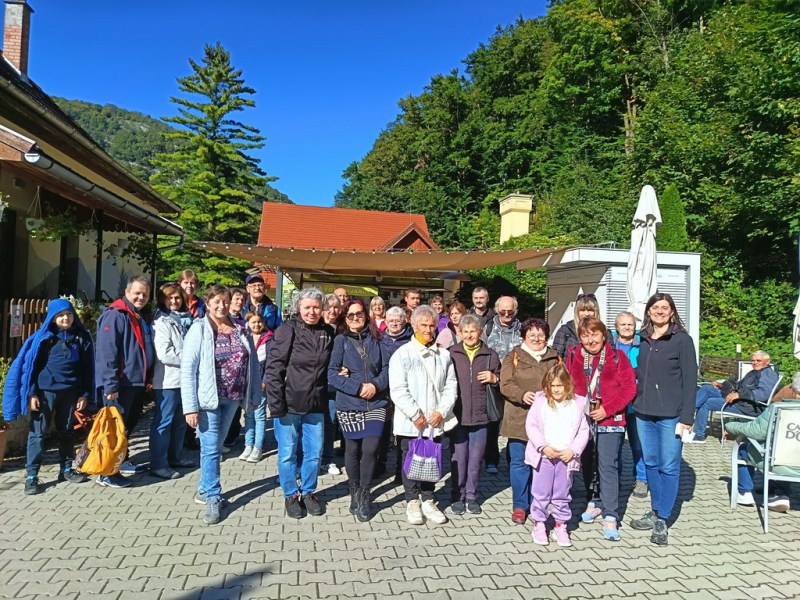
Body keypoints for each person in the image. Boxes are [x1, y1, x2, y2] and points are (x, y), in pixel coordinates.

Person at [181, 285, 261, 525]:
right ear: (207, 303)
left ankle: (203, 488)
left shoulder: (241, 329)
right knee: (211, 448)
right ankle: (214, 496)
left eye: (225, 301)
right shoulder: (199, 329)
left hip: (233, 397)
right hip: (208, 400)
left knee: (216, 445)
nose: (221, 306)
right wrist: (190, 407)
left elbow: (253, 364)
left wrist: (254, 395)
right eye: (216, 301)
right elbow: (188, 369)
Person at [2, 298, 93, 495]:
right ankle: (32, 476)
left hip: (70, 393)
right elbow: (31, 369)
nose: (65, 318)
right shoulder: (44, 339)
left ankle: (66, 469)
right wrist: (32, 393)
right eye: (60, 315)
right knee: (38, 433)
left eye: (68, 314)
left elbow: (88, 369)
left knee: (66, 431)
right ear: (52, 318)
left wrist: (84, 394)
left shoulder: (82, 338)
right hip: (45, 393)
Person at [629, 293, 697, 546]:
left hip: (671, 414)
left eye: (664, 307)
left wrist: (687, 416)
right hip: (644, 412)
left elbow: (690, 380)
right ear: (648, 311)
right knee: (650, 462)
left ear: (672, 312)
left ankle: (663, 518)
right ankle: (655, 509)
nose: (659, 311)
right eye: (655, 307)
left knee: (668, 466)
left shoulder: (682, 340)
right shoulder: (643, 338)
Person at [565, 317, 636, 541]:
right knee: (588, 463)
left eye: (594, 334)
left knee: (607, 466)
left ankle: (611, 514)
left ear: (604, 335)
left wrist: (607, 409)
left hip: (610, 419)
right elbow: (568, 384)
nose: (590, 340)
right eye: (585, 336)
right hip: (583, 419)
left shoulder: (618, 357)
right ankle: (594, 500)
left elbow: (629, 389)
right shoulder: (574, 355)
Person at [266, 288, 334, 519]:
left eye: (316, 307)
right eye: (307, 307)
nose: (312, 312)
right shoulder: (287, 330)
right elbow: (274, 368)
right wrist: (276, 404)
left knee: (314, 453)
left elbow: (331, 365)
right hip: (289, 404)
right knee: (287, 453)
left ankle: (308, 492)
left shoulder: (327, 332)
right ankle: (290, 494)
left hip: (316, 404)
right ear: (298, 308)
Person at [389, 305, 457, 526]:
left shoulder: (443, 355)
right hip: (411, 421)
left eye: (431, 325)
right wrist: (415, 414)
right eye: (423, 325)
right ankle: (412, 501)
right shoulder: (402, 354)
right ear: (414, 325)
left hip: (434, 420)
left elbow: (451, 386)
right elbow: (398, 389)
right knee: (411, 461)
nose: (428, 329)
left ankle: (428, 499)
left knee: (431, 460)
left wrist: (441, 411)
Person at [328, 299, 391, 522]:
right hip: (349, 404)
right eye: (351, 315)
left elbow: (387, 368)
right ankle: (354, 489)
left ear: (366, 315)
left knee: (371, 449)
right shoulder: (340, 341)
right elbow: (332, 373)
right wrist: (357, 388)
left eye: (359, 314)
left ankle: (365, 493)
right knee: (353, 450)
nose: (355, 318)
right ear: (345, 318)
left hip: (376, 403)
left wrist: (375, 385)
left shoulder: (379, 339)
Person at [95, 275, 155, 487]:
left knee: (127, 427)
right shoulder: (116, 315)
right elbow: (107, 353)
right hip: (120, 384)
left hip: (136, 382)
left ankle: (121, 461)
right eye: (137, 293)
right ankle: (106, 472)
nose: (141, 297)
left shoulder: (137, 315)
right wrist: (111, 384)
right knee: (114, 430)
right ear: (127, 292)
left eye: (145, 294)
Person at [499, 317, 560, 524]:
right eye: (531, 334)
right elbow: (505, 384)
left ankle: (538, 504)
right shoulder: (514, 356)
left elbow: (563, 382)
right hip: (519, 417)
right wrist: (521, 394)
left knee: (541, 464)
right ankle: (519, 505)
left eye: (540, 334)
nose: (536, 338)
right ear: (524, 336)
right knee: (519, 463)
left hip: (546, 420)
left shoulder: (554, 357)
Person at [526, 364, 591, 547]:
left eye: (559, 386)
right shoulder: (540, 402)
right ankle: (539, 523)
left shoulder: (577, 404)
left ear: (567, 385)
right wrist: (542, 446)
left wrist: (573, 450)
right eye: (552, 385)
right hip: (545, 456)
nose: (556, 389)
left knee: (562, 493)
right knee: (541, 492)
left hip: (565, 457)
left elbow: (583, 431)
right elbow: (531, 426)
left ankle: (561, 525)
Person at [447, 315, 500, 515]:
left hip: (481, 416)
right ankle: (457, 495)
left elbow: (502, 381)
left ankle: (472, 496)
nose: (469, 335)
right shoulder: (451, 354)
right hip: (458, 416)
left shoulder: (490, 355)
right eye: (465, 331)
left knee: (476, 459)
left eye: (473, 331)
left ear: (480, 332)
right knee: (459, 458)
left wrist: (495, 378)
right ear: (460, 333)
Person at [150, 284, 193, 480]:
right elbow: (165, 353)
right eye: (170, 298)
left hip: (185, 379)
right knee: (163, 422)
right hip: (168, 380)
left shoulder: (187, 319)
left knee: (180, 422)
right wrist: (191, 358)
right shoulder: (161, 321)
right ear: (163, 300)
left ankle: (176, 457)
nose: (174, 301)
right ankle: (159, 464)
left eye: (177, 297)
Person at [724, 400, 797, 512]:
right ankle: (778, 493)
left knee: (743, 449)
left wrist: (730, 426)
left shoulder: (779, 408)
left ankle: (745, 492)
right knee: (787, 454)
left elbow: (756, 431)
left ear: (796, 393)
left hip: (779, 460)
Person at [692, 351, 779, 443]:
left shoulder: (767, 374)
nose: (755, 363)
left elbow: (764, 394)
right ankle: (688, 412)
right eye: (753, 360)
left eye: (758, 360)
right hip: (739, 400)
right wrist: (721, 386)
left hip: (747, 406)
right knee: (707, 388)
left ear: (767, 361)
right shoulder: (754, 372)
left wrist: (739, 395)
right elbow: (738, 386)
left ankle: (698, 435)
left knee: (707, 403)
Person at [484, 295, 522, 475]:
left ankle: (513, 460)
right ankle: (491, 459)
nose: (507, 315)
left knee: (514, 423)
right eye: (503, 311)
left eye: (510, 312)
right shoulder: (488, 328)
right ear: (497, 310)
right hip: (493, 383)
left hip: (516, 384)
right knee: (493, 423)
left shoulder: (523, 329)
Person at [612, 311, 647, 499]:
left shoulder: (643, 344)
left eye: (630, 324)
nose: (627, 327)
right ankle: (613, 478)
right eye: (623, 324)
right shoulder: (610, 344)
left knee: (638, 443)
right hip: (615, 403)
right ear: (616, 327)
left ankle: (641, 479)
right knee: (614, 444)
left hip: (636, 402)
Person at [380, 305, 414, 482]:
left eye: (397, 320)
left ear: (404, 321)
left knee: (403, 433)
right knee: (383, 429)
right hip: (383, 391)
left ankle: (402, 470)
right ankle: (380, 463)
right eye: (391, 320)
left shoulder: (411, 340)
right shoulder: (379, 339)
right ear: (385, 322)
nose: (394, 323)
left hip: (405, 391)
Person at [239, 312, 272, 463]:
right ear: (248, 324)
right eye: (253, 322)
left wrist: (265, 381)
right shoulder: (244, 337)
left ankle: (258, 447)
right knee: (248, 415)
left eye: (259, 322)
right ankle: (248, 445)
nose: (257, 325)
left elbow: (271, 363)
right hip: (247, 384)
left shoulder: (269, 339)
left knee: (259, 415)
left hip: (260, 384)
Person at [320, 293, 343, 476]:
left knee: (330, 422)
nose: (332, 311)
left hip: (333, 384)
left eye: (336, 307)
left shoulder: (342, 329)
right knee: (313, 423)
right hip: (314, 383)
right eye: (328, 307)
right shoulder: (316, 327)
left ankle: (327, 459)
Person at [552, 293, 612, 359]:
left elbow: (611, 355)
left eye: (590, 310)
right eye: (582, 310)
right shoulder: (566, 330)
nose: (586, 314)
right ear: (577, 312)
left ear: (596, 311)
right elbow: (556, 356)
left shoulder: (605, 332)